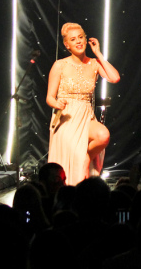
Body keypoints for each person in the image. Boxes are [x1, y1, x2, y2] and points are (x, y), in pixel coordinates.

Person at [46, 22, 120, 185]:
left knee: (103, 135)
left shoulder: (94, 63)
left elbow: (114, 78)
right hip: (66, 117)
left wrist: (98, 53)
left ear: (86, 40)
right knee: (77, 164)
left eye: (81, 37)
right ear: (67, 45)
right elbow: (49, 97)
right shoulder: (60, 65)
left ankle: (87, 157)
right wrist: (58, 104)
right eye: (73, 39)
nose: (78, 41)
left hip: (86, 116)